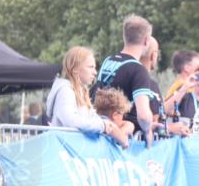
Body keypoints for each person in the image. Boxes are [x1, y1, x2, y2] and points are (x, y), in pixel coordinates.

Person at [47, 46, 130, 148]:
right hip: (62, 152)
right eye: (91, 67)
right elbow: (71, 121)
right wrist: (104, 126)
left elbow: (93, 119)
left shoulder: (80, 93)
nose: (95, 72)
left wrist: (115, 126)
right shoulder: (65, 91)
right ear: (75, 69)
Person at [93, 15, 158, 145]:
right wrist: (147, 131)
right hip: (121, 139)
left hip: (100, 129)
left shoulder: (108, 60)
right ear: (146, 41)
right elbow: (144, 115)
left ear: (124, 37)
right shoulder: (139, 70)